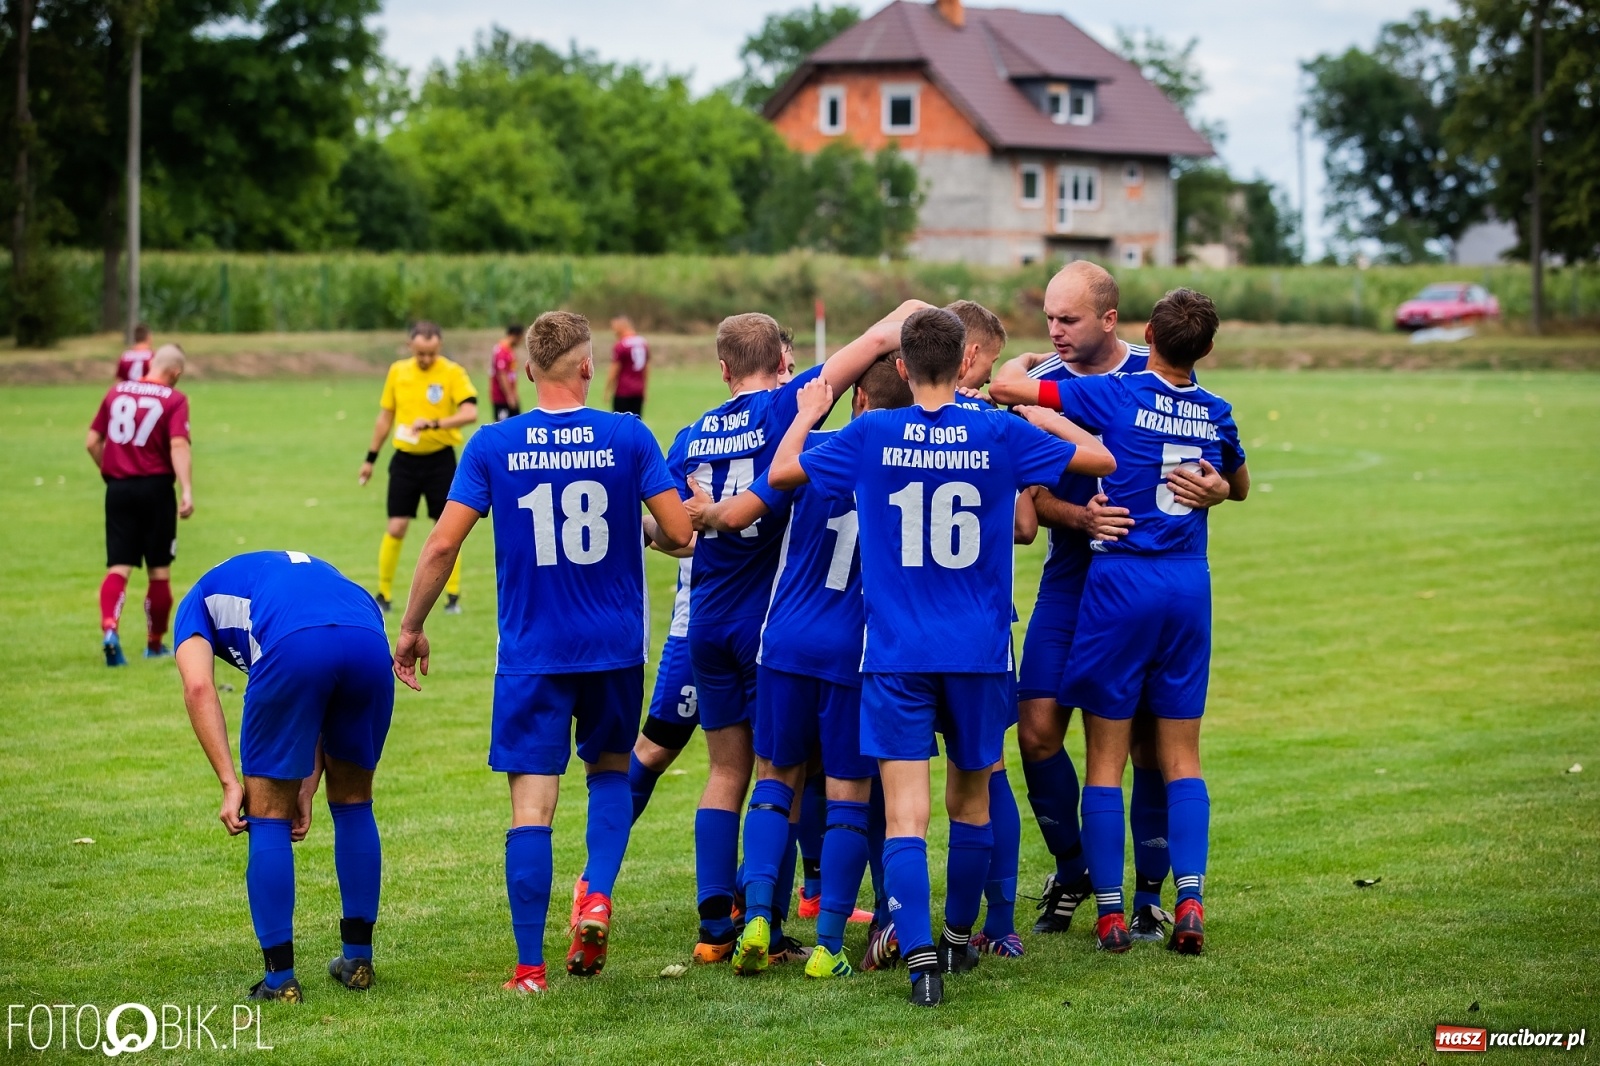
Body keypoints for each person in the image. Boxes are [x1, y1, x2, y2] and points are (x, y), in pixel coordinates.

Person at [767, 308, 1115, 1006]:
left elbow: (781, 473)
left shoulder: (870, 432)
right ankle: (959, 939)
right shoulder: (996, 430)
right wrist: (1040, 419)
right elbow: (1102, 458)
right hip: (979, 651)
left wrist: (807, 412)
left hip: (896, 652)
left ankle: (920, 958)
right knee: (971, 801)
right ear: (964, 363)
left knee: (905, 815)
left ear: (900, 367)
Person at [392, 311, 691, 994]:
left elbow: (441, 545)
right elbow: (679, 534)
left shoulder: (493, 445)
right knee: (610, 775)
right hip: (614, 647)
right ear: (590, 367)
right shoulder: (628, 434)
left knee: (531, 808)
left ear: (529, 372)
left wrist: (410, 627)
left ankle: (529, 971)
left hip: (531, 652)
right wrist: (643, 525)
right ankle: (597, 897)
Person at [670, 302, 927, 968]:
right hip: (852, 649)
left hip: (774, 635)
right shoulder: (915, 468)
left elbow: (735, 509)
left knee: (765, 778)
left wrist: (701, 516)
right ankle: (831, 944)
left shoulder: (810, 449)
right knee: (847, 793)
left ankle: (749, 918)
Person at [989, 261, 1231, 941]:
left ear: (1112, 321)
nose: (1056, 331)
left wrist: (1217, 490)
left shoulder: (1149, 378)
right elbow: (1032, 497)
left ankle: (1149, 892)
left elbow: (1210, 465)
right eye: (1049, 320)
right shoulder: (1052, 387)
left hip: (1129, 580)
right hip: (1073, 578)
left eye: (1068, 319)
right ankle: (1076, 871)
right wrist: (1080, 517)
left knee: (1150, 744)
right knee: (1036, 730)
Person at [1049, 288, 1248, 955]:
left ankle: (1109, 914)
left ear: (1143, 336)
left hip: (1120, 583)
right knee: (1181, 757)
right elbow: (1238, 484)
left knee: (1105, 761)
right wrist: (1217, 488)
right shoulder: (1217, 411)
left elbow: (1018, 389)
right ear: (1208, 349)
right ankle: (1187, 899)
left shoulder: (1119, 395)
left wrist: (1025, 369)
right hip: (1189, 586)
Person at [174, 550, 394, 1002]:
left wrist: (230, 782)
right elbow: (320, 683)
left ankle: (280, 979)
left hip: (294, 646)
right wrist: (308, 783)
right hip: (369, 639)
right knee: (354, 802)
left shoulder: (195, 600)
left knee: (268, 815)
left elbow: (198, 686)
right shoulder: (304, 572)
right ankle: (358, 960)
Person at [359, 321, 478, 615]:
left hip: (440, 460)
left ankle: (452, 595)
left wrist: (435, 423)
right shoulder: (398, 371)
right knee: (396, 526)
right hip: (405, 461)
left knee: (447, 528)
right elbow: (385, 417)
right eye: (421, 353)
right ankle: (383, 593)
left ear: (439, 347)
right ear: (410, 345)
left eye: (431, 353)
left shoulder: (452, 372)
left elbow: (470, 412)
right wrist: (370, 459)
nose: (426, 359)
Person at [86, 344, 194, 665]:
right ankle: (154, 643)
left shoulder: (116, 392)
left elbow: (92, 441)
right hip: (156, 489)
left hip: (118, 489)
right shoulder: (175, 400)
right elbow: (178, 445)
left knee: (118, 566)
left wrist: (110, 471)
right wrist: (186, 488)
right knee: (158, 571)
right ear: (175, 373)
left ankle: (110, 629)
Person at [608, 316, 649, 415]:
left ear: (621, 326)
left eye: (614, 327)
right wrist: (644, 389)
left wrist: (607, 389)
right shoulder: (643, 342)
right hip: (638, 390)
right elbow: (646, 368)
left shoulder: (621, 345)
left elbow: (614, 370)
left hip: (623, 390)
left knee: (620, 424)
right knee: (635, 423)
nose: (613, 331)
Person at [489, 324, 524, 422]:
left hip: (510, 396)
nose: (521, 341)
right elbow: (502, 374)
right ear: (515, 335)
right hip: (502, 398)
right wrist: (510, 396)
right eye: (521, 337)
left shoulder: (509, 350)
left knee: (516, 427)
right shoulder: (501, 350)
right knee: (502, 428)